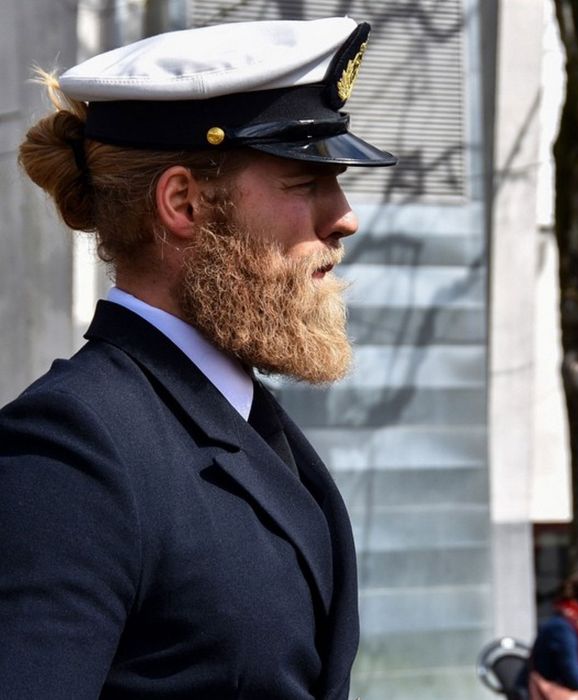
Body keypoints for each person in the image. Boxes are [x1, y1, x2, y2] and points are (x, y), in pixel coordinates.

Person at [0, 17, 396, 700]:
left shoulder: (241, 418)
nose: (344, 216)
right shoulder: (70, 450)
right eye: (305, 182)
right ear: (182, 203)